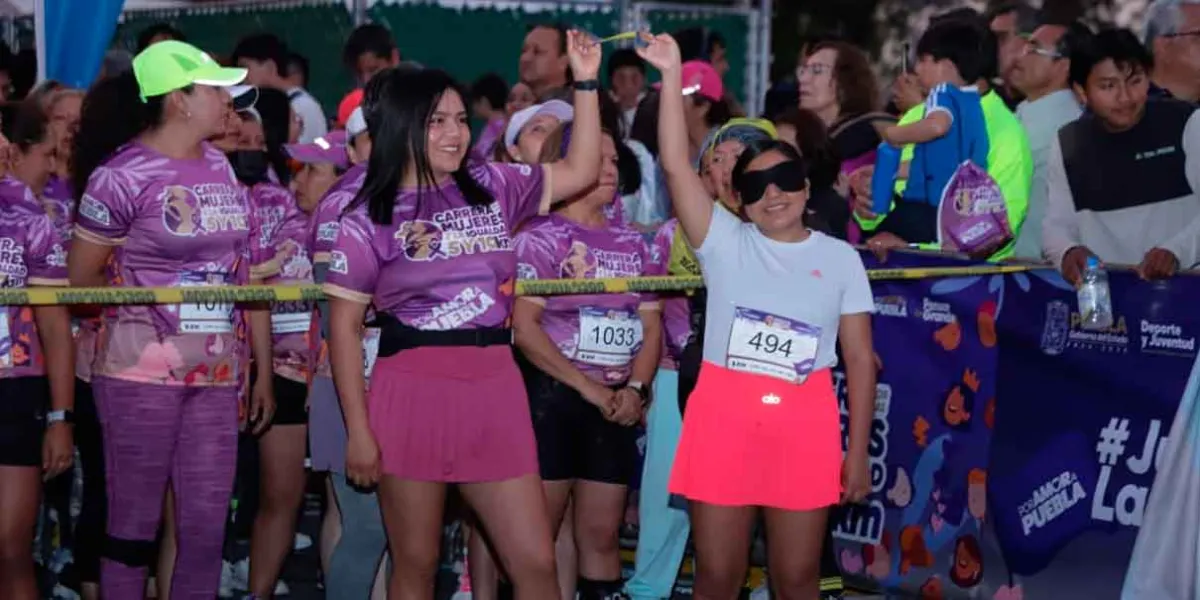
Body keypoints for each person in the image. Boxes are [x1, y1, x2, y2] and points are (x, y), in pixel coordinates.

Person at [322, 29, 604, 600]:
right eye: (437, 122)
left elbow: (580, 170)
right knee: (416, 567)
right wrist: (359, 434)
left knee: (535, 566)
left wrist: (588, 82)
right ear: (402, 125)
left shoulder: (493, 184)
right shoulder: (362, 220)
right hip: (410, 392)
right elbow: (345, 332)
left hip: (495, 389)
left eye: (459, 118)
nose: (455, 133)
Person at [638, 32, 876, 600]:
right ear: (737, 199)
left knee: (796, 580)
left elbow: (862, 361)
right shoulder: (723, 242)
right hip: (722, 418)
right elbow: (674, 163)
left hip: (806, 426)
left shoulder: (841, 258)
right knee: (718, 577)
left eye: (786, 180)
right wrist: (673, 74)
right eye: (756, 186)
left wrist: (858, 452)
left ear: (807, 183)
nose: (774, 195)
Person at [67, 41, 274, 599]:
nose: (227, 100)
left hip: (216, 373)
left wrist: (254, 363)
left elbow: (241, 270)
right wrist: (154, 300)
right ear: (179, 99)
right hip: (139, 374)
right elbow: (79, 283)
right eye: (214, 88)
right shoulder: (120, 175)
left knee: (206, 530)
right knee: (133, 529)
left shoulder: (221, 167)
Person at [513, 125, 662, 600]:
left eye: (615, 159)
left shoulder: (635, 243)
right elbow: (524, 327)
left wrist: (636, 391)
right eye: (597, 158)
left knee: (600, 538)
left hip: (616, 405)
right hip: (551, 400)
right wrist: (591, 390)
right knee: (539, 542)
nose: (611, 168)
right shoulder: (540, 237)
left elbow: (652, 325)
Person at [1043, 28, 1200, 282]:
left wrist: (1175, 250)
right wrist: (1067, 251)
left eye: (1135, 81)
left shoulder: (1188, 123)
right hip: (1109, 301)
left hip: (1184, 293)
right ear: (1082, 92)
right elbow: (1057, 223)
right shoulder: (1067, 142)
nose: (1124, 97)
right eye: (1108, 86)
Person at [0, 103, 75, 600]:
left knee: (9, 546)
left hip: (15, 390)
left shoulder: (27, 214)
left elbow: (54, 322)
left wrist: (60, 417)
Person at [232, 33, 328, 144]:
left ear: (270, 66)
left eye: (245, 68)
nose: (242, 77)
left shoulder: (302, 105)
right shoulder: (274, 104)